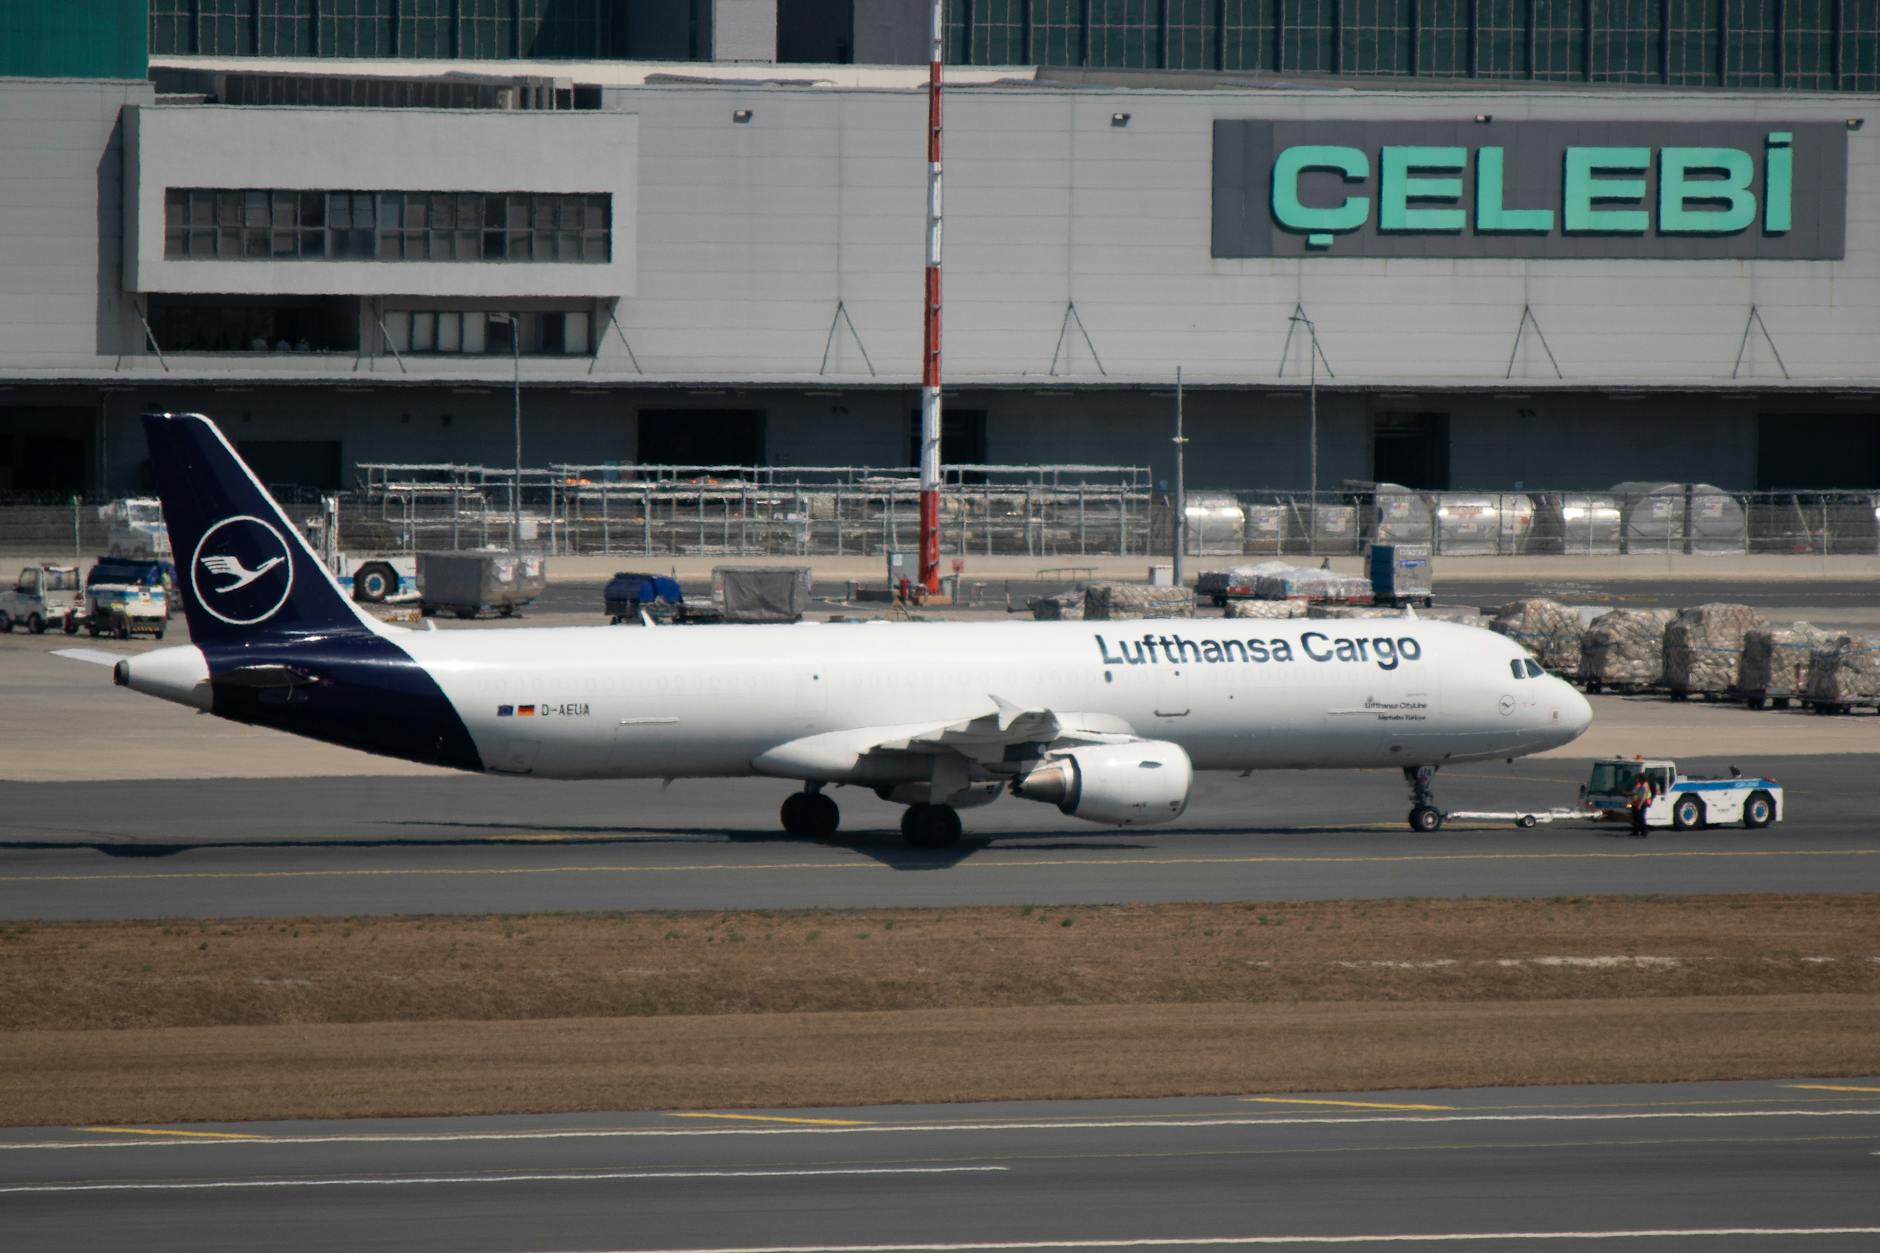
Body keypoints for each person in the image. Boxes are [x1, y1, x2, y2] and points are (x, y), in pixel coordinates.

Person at [1628, 772, 1654, 838]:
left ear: (1641, 778)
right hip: (1637, 802)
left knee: (1641, 818)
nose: (1636, 779)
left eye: (1637, 778)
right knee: (1635, 817)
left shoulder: (1645, 785)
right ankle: (1635, 831)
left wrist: (1640, 805)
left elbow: (1644, 796)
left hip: (1643, 802)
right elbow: (1635, 792)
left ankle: (1644, 832)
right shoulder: (1639, 784)